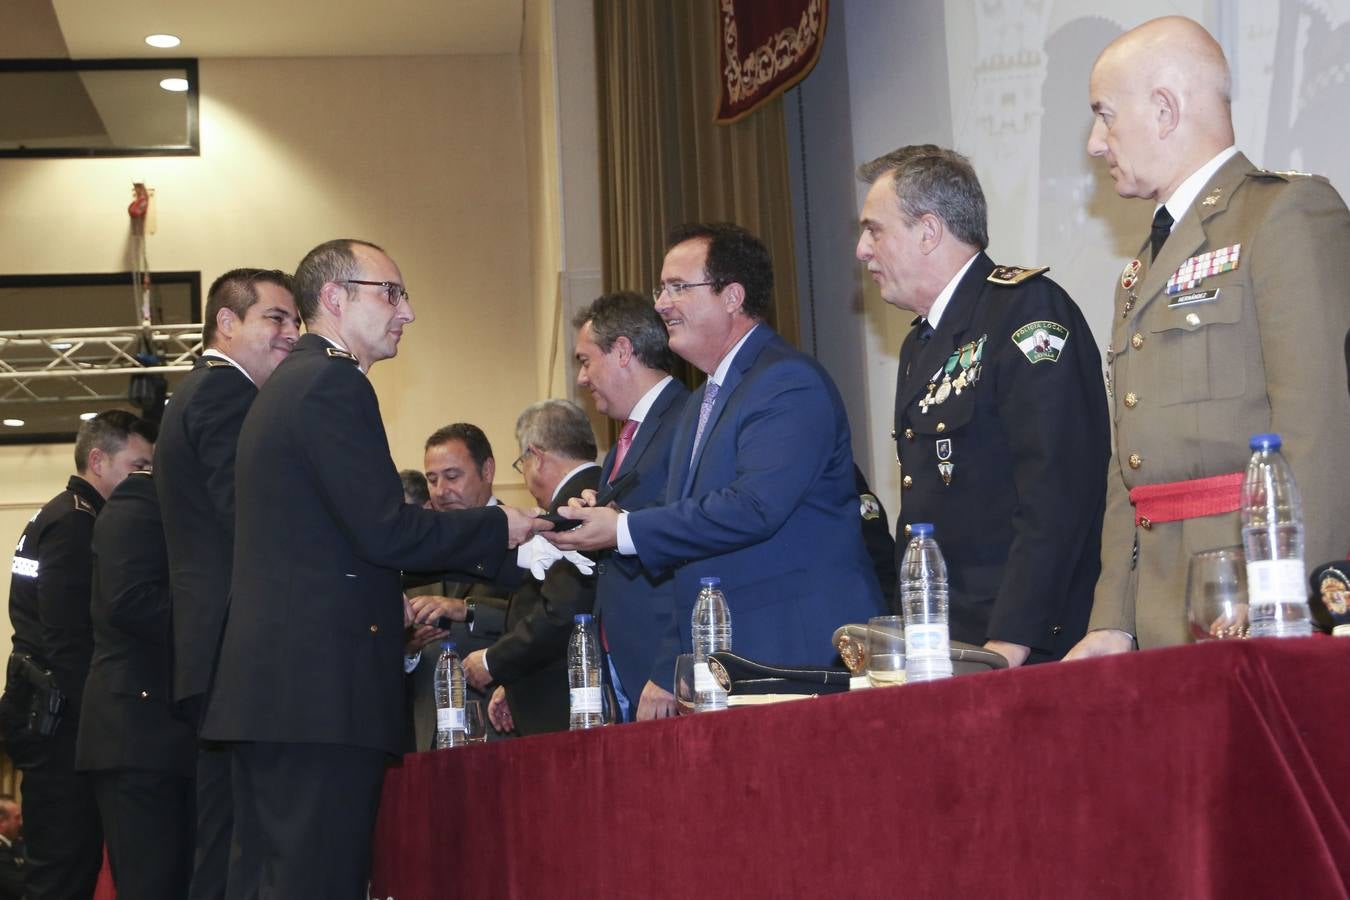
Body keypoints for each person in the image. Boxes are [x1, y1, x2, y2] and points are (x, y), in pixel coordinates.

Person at [199, 239, 536, 899]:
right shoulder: (330, 384)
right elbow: (387, 529)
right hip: (316, 693)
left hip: (281, 693)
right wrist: (502, 525)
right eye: (391, 293)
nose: (406, 312)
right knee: (314, 880)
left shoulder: (294, 382)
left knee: (272, 878)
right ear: (333, 298)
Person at [1066, 16, 1350, 657]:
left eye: (1106, 116)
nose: (1094, 142)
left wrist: (1289, 599)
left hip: (1249, 601)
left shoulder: (1284, 215)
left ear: (1164, 109)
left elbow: (1322, 429)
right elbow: (1129, 462)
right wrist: (1112, 617)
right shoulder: (1145, 265)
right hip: (1161, 609)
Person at [551, 223, 883, 667]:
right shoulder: (701, 402)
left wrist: (624, 529)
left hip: (796, 644)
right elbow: (695, 522)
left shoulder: (786, 381)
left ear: (732, 296)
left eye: (678, 287)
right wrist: (611, 521)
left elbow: (755, 507)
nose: (661, 304)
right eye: (661, 288)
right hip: (731, 648)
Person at [855, 145, 1109, 664]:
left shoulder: (1027, 311)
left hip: (1021, 645)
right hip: (948, 640)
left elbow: (1057, 493)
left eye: (874, 230)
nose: (862, 249)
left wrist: (1010, 642)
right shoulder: (921, 342)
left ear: (928, 231)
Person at [153, 267, 299, 900]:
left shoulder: (204, 392)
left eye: (296, 320)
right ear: (227, 323)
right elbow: (249, 517)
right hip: (235, 650)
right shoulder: (224, 393)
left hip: (217, 652)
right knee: (239, 840)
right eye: (276, 319)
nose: (292, 334)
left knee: (228, 834)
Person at [1, 409, 155, 900]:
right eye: (137, 466)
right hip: (60, 723)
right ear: (97, 460)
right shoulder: (76, 523)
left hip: (40, 709)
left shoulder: (54, 512)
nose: (146, 478)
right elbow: (69, 640)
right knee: (65, 867)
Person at [77, 469, 197, 899]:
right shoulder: (143, 498)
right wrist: (215, 610)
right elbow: (128, 601)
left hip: (169, 734)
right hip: (137, 732)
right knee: (151, 884)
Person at [571, 291, 689, 720]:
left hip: (664, 669)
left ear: (622, 351)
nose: (582, 378)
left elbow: (695, 546)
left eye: (585, 360)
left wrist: (672, 665)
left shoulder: (687, 421)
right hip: (622, 661)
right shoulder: (627, 437)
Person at [463, 401, 600, 736]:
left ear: (535, 457)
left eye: (521, 463)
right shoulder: (597, 490)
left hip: (565, 702)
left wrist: (493, 662)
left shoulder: (574, 508)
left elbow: (562, 612)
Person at [402, 423, 519, 750]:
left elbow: (543, 620)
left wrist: (466, 611)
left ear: (488, 470)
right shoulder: (416, 551)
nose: (440, 491)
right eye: (432, 479)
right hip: (427, 739)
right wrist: (408, 648)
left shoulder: (525, 537)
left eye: (452, 477)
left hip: (500, 733)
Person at [0, 795, 25, 900]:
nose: (21, 823)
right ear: (1, 822)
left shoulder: (15, 844)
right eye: (17, 818)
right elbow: (19, 888)